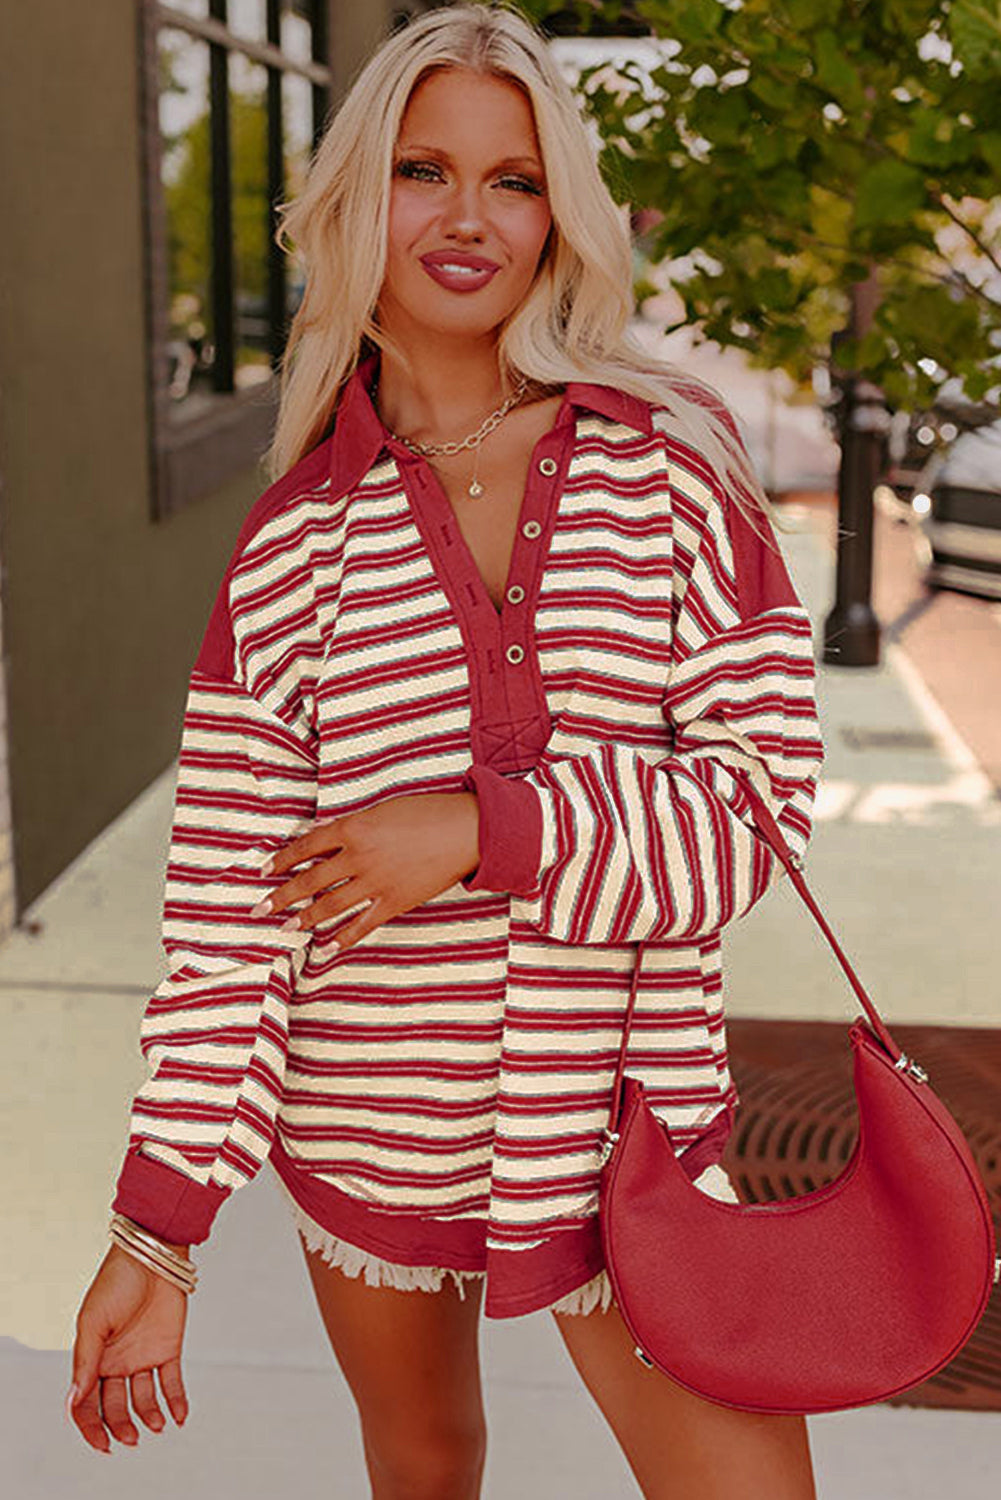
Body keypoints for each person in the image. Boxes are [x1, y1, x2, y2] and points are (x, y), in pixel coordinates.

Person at [67, 4, 823, 1495]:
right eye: (425, 170)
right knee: (421, 1465)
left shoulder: (669, 466)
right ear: (360, 198)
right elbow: (232, 921)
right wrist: (158, 1227)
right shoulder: (293, 545)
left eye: (515, 180)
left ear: (561, 217)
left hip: (624, 1126)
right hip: (366, 1121)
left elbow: (758, 813)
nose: (468, 217)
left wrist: (485, 829)